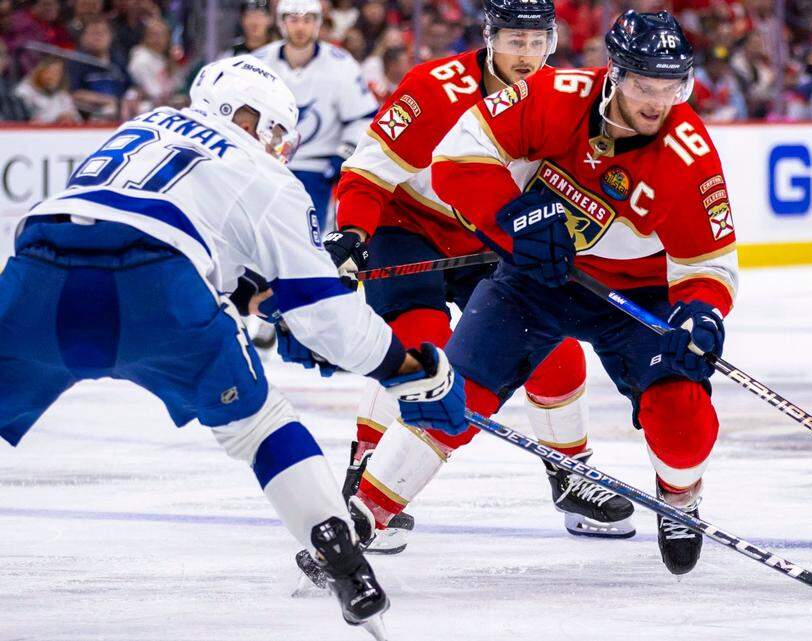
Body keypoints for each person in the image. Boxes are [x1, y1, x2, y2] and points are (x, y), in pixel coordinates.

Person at [0, 54, 467, 631]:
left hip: (37, 270)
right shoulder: (265, 175)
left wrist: (264, 299)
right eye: (272, 129)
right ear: (243, 116)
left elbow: (153, 223)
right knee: (257, 425)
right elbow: (333, 322)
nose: (276, 145)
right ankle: (342, 558)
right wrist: (412, 368)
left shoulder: (141, 125)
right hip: (158, 290)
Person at [429, 10, 738, 575]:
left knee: (682, 414)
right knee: (454, 383)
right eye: (646, 84)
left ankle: (679, 496)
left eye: (672, 86)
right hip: (542, 281)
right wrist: (516, 219)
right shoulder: (558, 97)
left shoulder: (689, 153)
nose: (658, 101)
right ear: (616, 75)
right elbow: (459, 160)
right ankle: (366, 509)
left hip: (641, 296)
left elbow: (708, 263)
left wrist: (701, 314)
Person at [324, 0, 632, 554]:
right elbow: (368, 172)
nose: (528, 55)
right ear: (489, 38)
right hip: (407, 224)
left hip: (488, 234)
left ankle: (570, 472)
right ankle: (370, 462)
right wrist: (353, 232)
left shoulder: (561, 99)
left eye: (539, 42)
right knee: (423, 346)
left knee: (554, 346)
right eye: (516, 41)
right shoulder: (433, 89)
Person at [253, 0, 377, 232]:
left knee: (312, 239)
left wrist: (341, 158)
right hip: (267, 167)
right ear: (281, 22)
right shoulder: (258, 63)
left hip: (317, 169)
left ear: (318, 23)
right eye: (294, 20)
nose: (300, 27)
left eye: (307, 20)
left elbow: (363, 118)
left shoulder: (341, 64)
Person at [14, 55, 80, 123]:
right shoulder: (24, 91)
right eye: (50, 71)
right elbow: (20, 118)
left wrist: (69, 119)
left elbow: (78, 121)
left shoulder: (63, 96)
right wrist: (55, 120)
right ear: (40, 71)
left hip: (62, 132)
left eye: (58, 73)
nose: (54, 76)